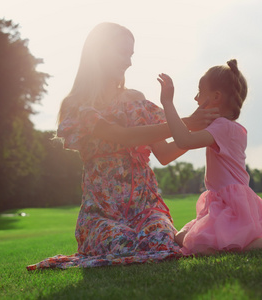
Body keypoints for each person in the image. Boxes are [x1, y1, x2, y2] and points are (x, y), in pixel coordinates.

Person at [26, 22, 217, 270]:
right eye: (123, 53)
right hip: (103, 215)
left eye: (131, 55)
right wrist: (186, 123)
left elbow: (166, 154)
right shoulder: (78, 105)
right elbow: (123, 136)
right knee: (120, 243)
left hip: (145, 209)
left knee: (160, 239)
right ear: (100, 51)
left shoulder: (135, 100)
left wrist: (204, 130)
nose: (128, 62)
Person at [157, 60, 262, 255]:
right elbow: (179, 144)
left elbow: (184, 140)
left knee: (203, 246)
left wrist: (167, 103)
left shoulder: (223, 128)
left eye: (200, 92)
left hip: (231, 206)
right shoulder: (224, 128)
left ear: (216, 97)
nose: (195, 98)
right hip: (222, 203)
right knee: (182, 237)